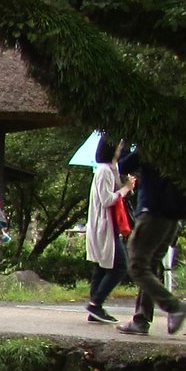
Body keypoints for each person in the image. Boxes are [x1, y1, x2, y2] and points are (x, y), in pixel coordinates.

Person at [116, 145, 186, 336]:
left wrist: (123, 147)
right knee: (149, 266)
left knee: (137, 266)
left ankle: (174, 307)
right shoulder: (179, 146)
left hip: (152, 213)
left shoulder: (151, 145)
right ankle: (141, 320)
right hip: (172, 217)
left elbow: (124, 165)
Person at [84, 134, 130, 325]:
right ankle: (95, 304)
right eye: (118, 146)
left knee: (102, 267)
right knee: (120, 265)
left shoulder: (111, 169)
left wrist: (125, 184)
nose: (121, 148)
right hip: (103, 225)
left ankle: (95, 308)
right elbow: (106, 199)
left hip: (109, 224)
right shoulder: (103, 170)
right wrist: (125, 189)